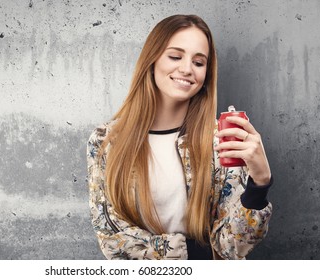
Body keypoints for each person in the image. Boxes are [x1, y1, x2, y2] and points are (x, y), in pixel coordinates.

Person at [86, 14, 273, 260]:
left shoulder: (220, 141)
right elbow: (113, 239)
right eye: (175, 56)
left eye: (199, 62)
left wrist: (259, 183)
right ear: (151, 60)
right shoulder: (106, 140)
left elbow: (232, 246)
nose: (186, 68)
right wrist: (197, 255)